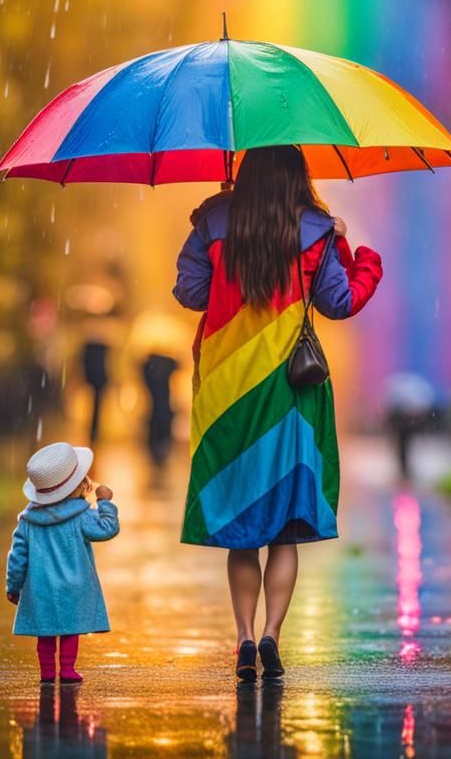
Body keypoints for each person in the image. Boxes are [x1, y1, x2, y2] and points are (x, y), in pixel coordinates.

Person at [173, 145, 383, 681]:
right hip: (291, 390)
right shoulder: (317, 229)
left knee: (242, 526)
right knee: (284, 529)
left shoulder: (214, 218)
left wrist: (215, 234)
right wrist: (361, 258)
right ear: (298, 177)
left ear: (244, 174)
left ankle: (242, 638)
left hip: (227, 390)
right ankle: (271, 634)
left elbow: (190, 292)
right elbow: (340, 303)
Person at [5, 441, 119, 682]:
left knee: (45, 634)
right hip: (74, 587)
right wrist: (105, 503)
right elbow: (107, 529)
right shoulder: (81, 517)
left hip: (40, 587)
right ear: (79, 485)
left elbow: (17, 557)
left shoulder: (27, 522)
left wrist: (13, 587)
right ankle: (67, 669)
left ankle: (47, 672)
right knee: (69, 631)